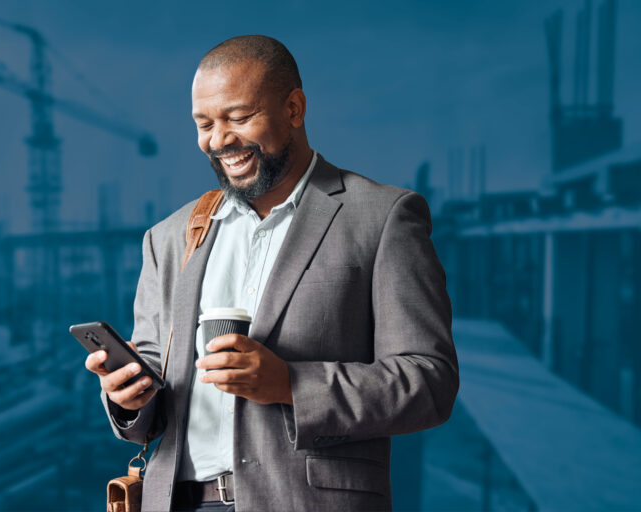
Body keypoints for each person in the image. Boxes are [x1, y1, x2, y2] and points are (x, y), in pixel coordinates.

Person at [84, 35, 459, 512]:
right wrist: (127, 397)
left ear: (294, 109)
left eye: (239, 118)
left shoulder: (383, 217)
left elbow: (430, 381)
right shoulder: (169, 236)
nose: (219, 140)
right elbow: (156, 379)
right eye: (204, 124)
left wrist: (290, 385)